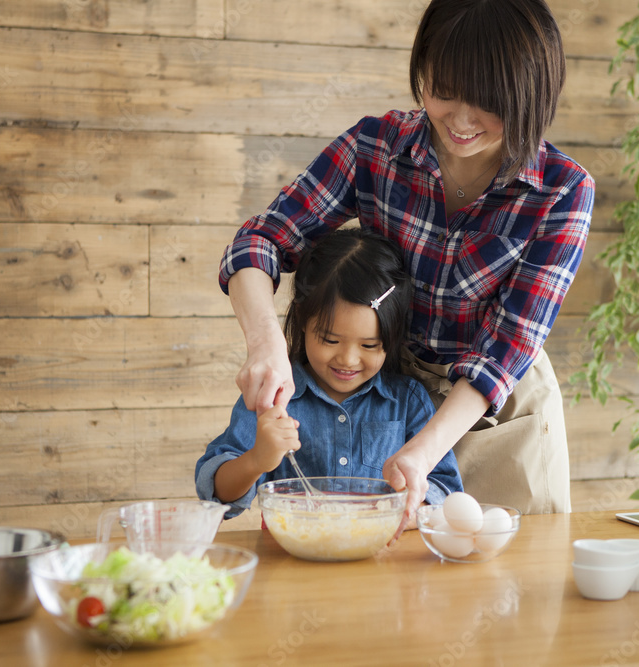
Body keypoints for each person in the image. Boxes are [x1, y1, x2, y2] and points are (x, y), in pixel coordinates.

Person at [219, 0, 594, 532]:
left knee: (511, 575)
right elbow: (260, 241)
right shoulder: (376, 147)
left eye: (488, 104)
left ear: (533, 98)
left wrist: (426, 450)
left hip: (495, 407)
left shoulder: (562, 190)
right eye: (443, 93)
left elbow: (507, 346)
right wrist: (267, 344)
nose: (461, 121)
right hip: (391, 395)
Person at [196, 228, 463, 518]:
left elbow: (443, 489)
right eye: (330, 340)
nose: (348, 360)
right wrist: (257, 460)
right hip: (290, 557)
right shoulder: (274, 395)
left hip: (384, 555)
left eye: (369, 345)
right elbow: (216, 496)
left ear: (393, 336)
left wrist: (406, 507)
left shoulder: (407, 400)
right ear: (300, 319)